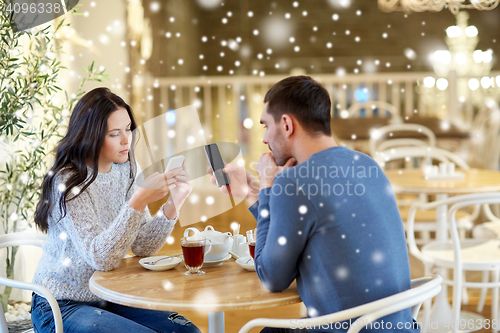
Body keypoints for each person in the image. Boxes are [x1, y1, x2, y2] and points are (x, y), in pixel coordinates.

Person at [210, 76, 418, 332]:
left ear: (286, 124)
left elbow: (272, 277)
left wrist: (267, 187)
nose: (264, 139)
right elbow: (303, 226)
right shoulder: (367, 164)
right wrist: (253, 194)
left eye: (266, 126)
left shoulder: (294, 183)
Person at [31, 87, 201, 333]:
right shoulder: (68, 183)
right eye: (114, 133)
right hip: (60, 305)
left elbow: (142, 245)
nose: (126, 140)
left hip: (110, 296)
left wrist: (173, 203)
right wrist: (138, 201)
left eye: (129, 129)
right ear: (91, 135)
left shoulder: (127, 169)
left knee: (187, 331)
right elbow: (101, 258)